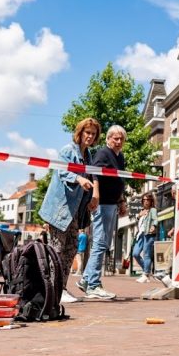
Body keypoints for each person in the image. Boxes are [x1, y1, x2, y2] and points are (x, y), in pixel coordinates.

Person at [37, 118, 101, 305]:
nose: (90, 136)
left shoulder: (88, 155)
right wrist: (79, 179)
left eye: (93, 134)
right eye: (87, 132)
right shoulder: (68, 150)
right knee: (57, 249)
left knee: (71, 248)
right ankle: (52, 289)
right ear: (80, 133)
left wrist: (93, 196)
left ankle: (61, 288)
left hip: (75, 211)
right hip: (60, 208)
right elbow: (61, 171)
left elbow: (94, 175)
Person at [79, 125, 128, 300]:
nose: (119, 141)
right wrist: (96, 194)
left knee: (104, 242)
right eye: (115, 138)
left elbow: (119, 179)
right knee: (100, 242)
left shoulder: (120, 156)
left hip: (112, 204)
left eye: (121, 139)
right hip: (102, 203)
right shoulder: (102, 153)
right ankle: (93, 284)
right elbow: (94, 174)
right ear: (108, 139)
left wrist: (121, 200)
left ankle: (86, 280)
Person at [132, 192, 158, 283]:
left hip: (149, 234)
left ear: (151, 201)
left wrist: (153, 226)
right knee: (135, 253)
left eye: (148, 200)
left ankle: (146, 274)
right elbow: (138, 223)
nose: (146, 202)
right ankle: (146, 271)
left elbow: (155, 219)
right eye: (144, 200)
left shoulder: (153, 210)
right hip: (140, 235)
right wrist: (139, 216)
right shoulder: (142, 211)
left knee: (146, 254)